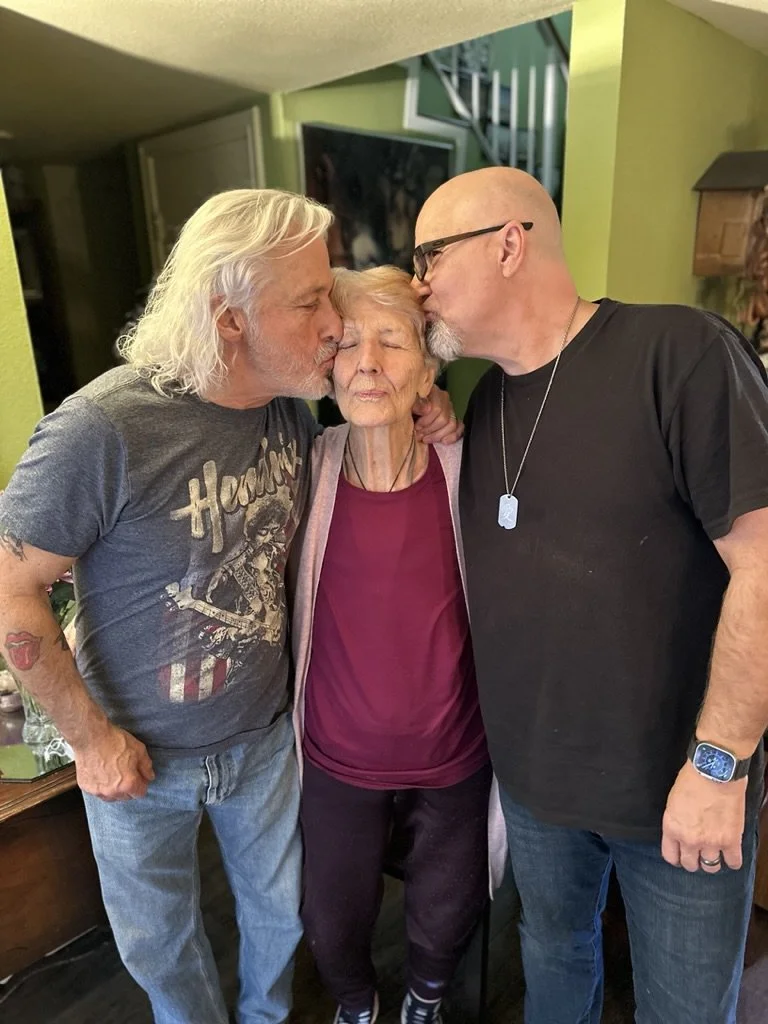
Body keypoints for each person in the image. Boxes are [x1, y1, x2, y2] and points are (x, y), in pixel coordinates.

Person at [0, 188, 460, 1024]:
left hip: (264, 743)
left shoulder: (290, 406)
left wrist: (433, 403)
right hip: (136, 762)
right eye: (310, 300)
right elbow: (11, 591)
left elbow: (378, 389)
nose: (333, 323)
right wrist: (89, 741)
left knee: (280, 920)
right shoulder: (103, 429)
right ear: (230, 317)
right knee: (158, 942)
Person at [411, 166, 768, 1024]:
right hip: (537, 787)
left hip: (677, 788)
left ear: (508, 243)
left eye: (429, 255)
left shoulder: (678, 354)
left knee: (684, 1008)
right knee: (553, 961)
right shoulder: (484, 399)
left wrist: (719, 767)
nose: (417, 283)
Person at [290, 266, 507, 1024]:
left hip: (454, 758)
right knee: (330, 920)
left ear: (429, 370)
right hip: (337, 760)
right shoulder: (304, 469)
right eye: (348, 343)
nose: (368, 363)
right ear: (326, 365)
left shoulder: (471, 466)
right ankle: (356, 1004)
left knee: (447, 913)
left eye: (392, 342)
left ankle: (426, 997)